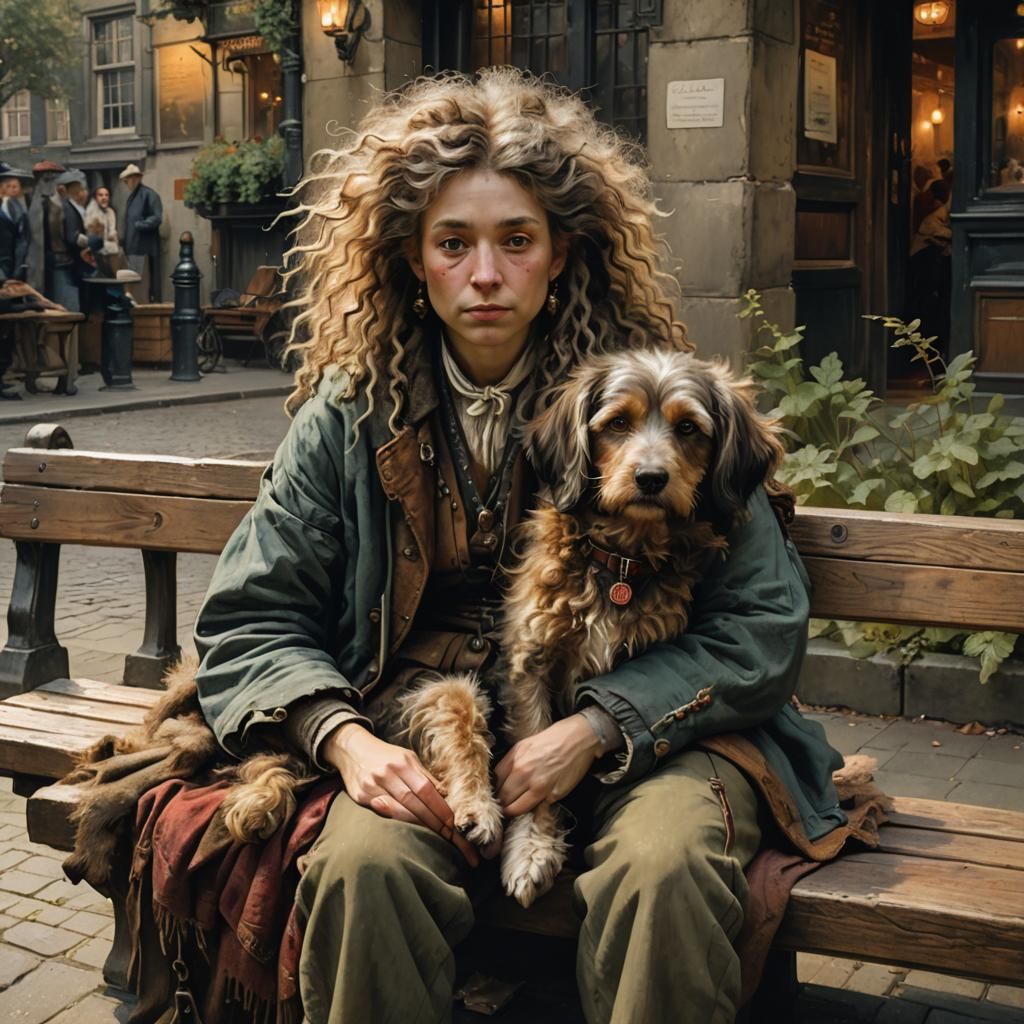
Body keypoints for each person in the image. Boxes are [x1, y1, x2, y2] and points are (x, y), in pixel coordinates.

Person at [185, 71, 877, 1024]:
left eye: (516, 241)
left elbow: (764, 622)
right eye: (453, 243)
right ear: (411, 259)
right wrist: (343, 743)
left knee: (667, 864)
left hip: (663, 729)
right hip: (428, 729)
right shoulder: (350, 417)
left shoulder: (651, 401)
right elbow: (251, 617)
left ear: (560, 256)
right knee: (362, 866)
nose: (484, 273)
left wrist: (598, 727)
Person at [120, 163, 163, 301]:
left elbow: (156, 218)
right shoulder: (133, 197)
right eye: (128, 179)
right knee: (135, 284)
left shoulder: (149, 195)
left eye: (132, 178)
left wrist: (139, 225)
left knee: (142, 284)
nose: (129, 182)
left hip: (144, 248)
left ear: (138, 178)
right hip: (133, 248)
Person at [0, 163, 34, 281]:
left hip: (9, 256)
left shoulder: (15, 206)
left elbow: (22, 239)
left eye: (15, 186)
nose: (12, 189)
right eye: (9, 186)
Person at [85, 185, 119, 255]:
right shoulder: (91, 211)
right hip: (95, 251)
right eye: (100, 195)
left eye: (106, 195)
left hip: (109, 250)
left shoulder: (110, 212)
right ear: (95, 198)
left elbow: (112, 233)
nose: (104, 198)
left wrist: (112, 236)